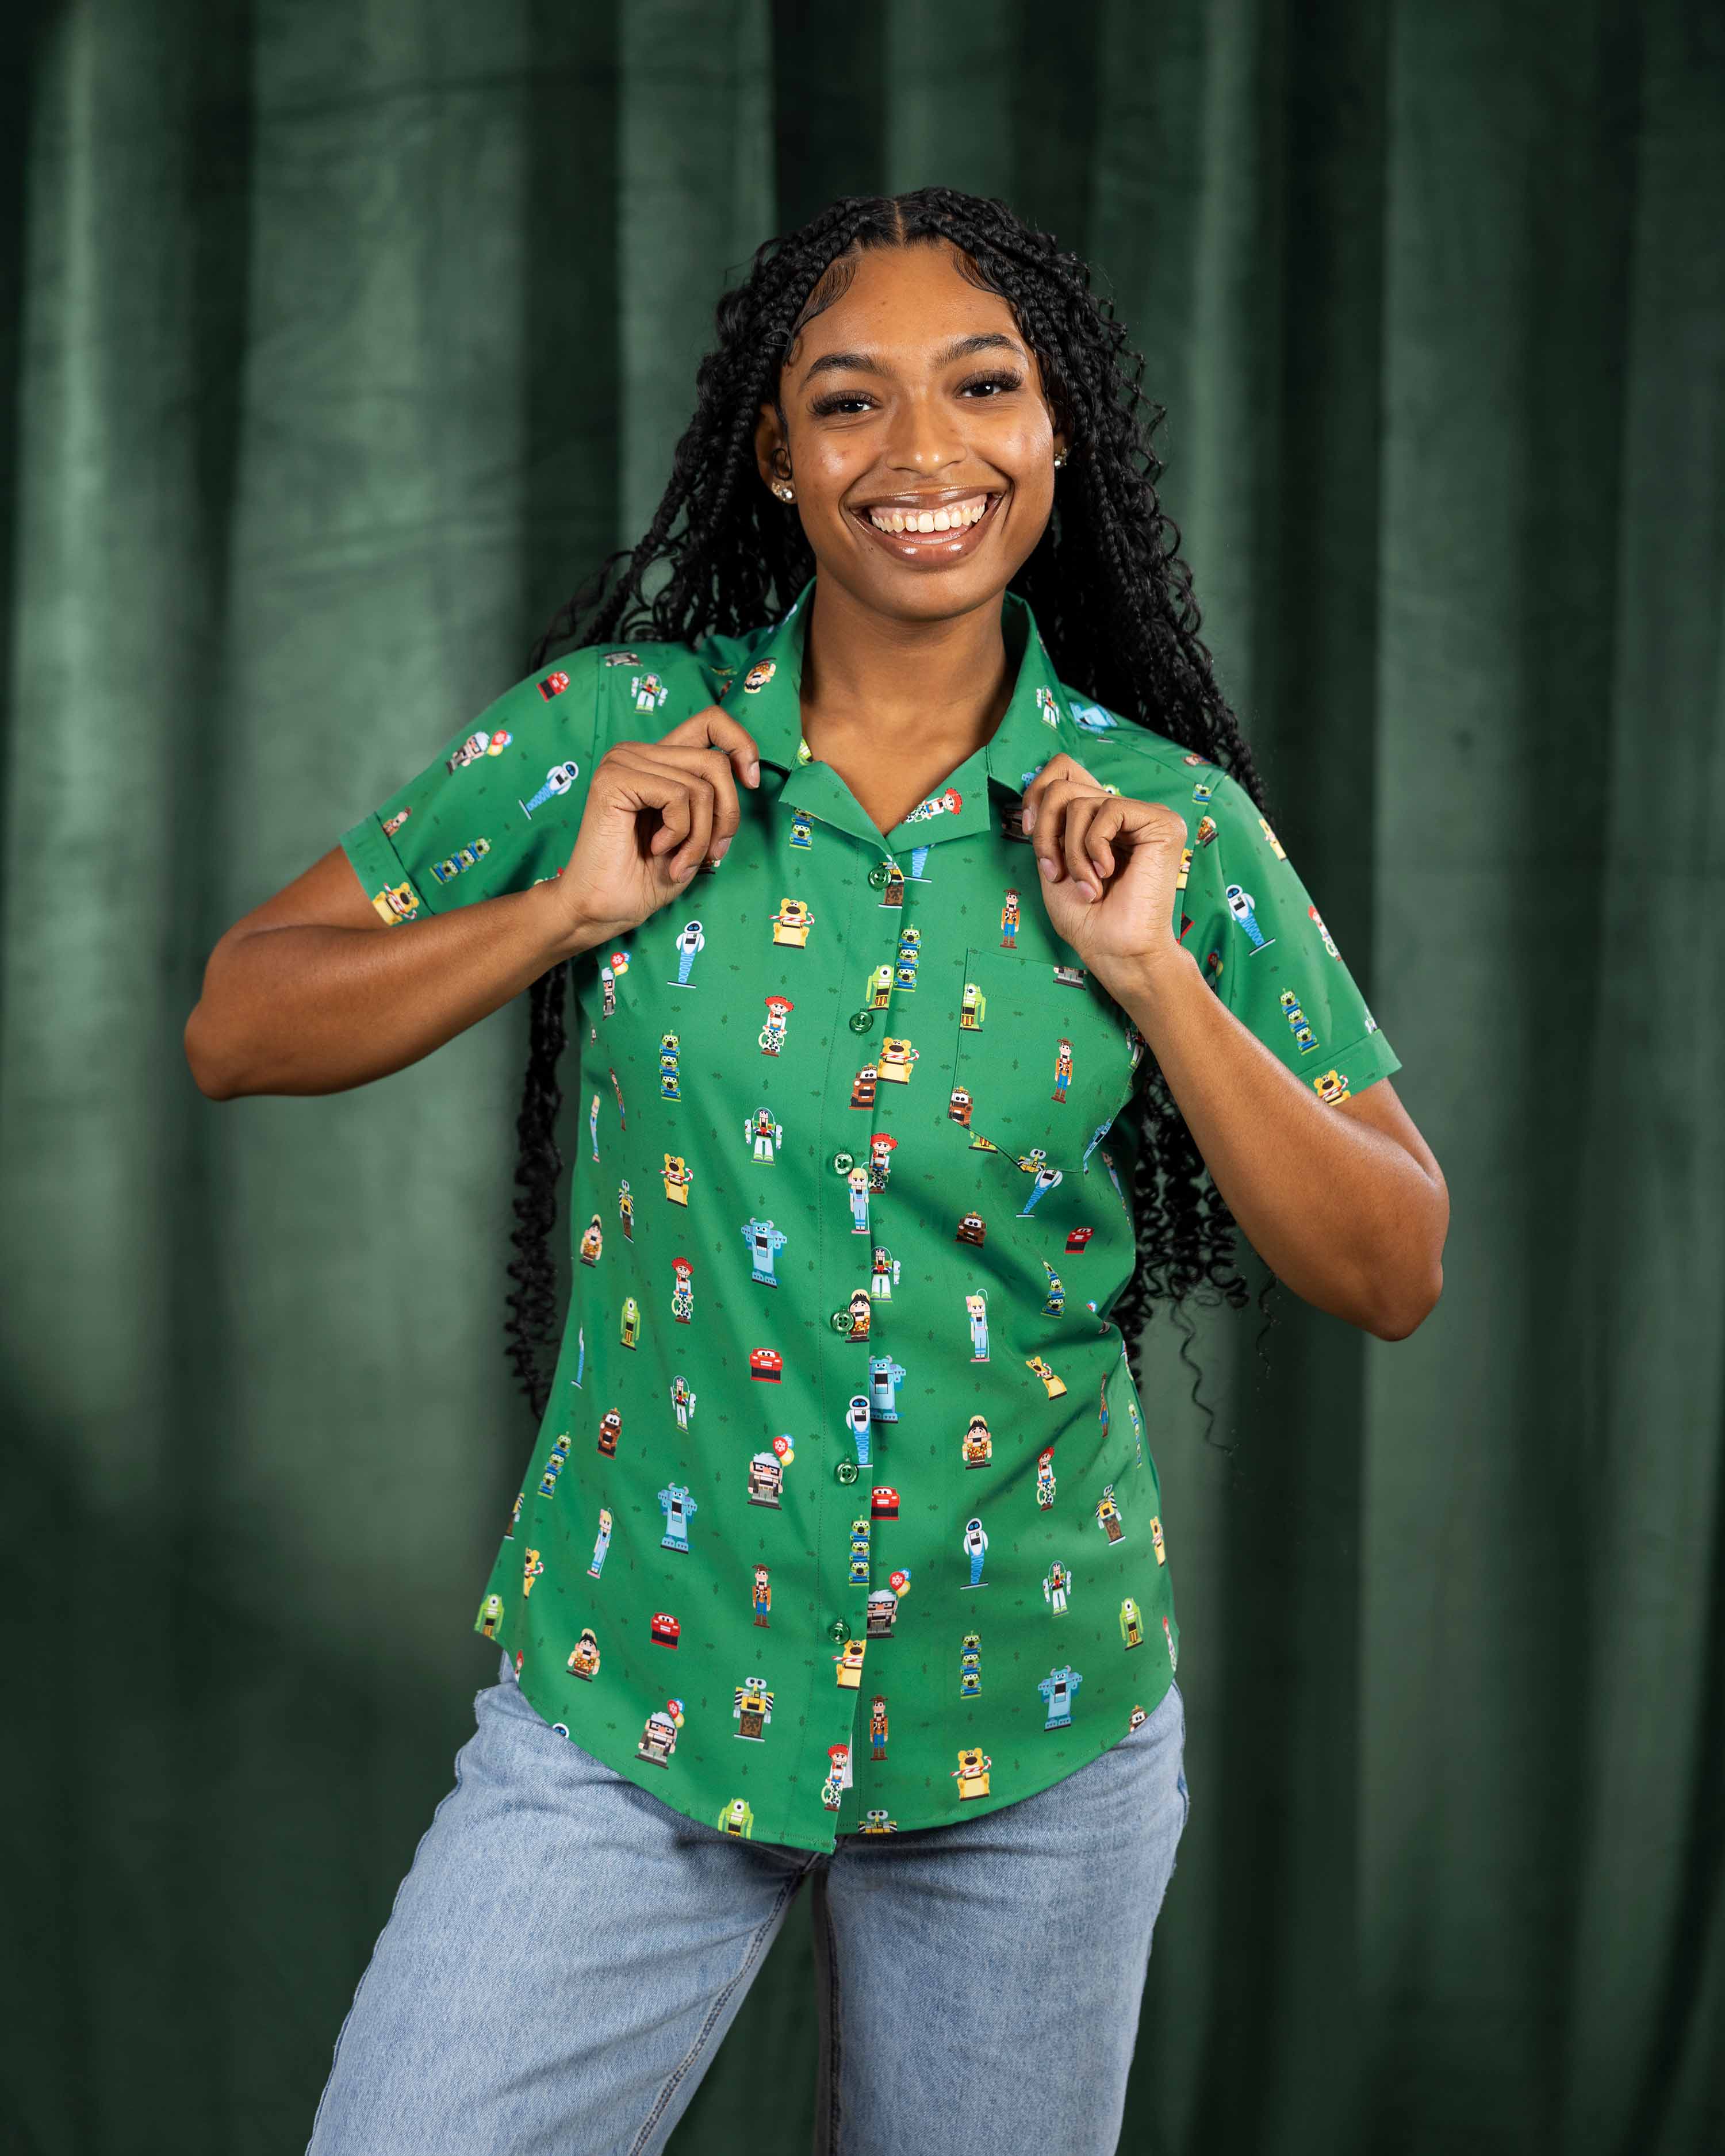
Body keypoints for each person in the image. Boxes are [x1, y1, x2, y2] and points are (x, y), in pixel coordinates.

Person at [184, 186, 1448, 2156]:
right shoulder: (619, 729)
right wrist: (559, 913)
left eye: (985, 387)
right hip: (640, 1700)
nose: (923, 451)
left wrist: (1157, 979)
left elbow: (1394, 1261)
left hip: (1028, 1738)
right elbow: (239, 1020)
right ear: (777, 456)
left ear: (1056, 435)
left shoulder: (1167, 821)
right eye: (851, 401)